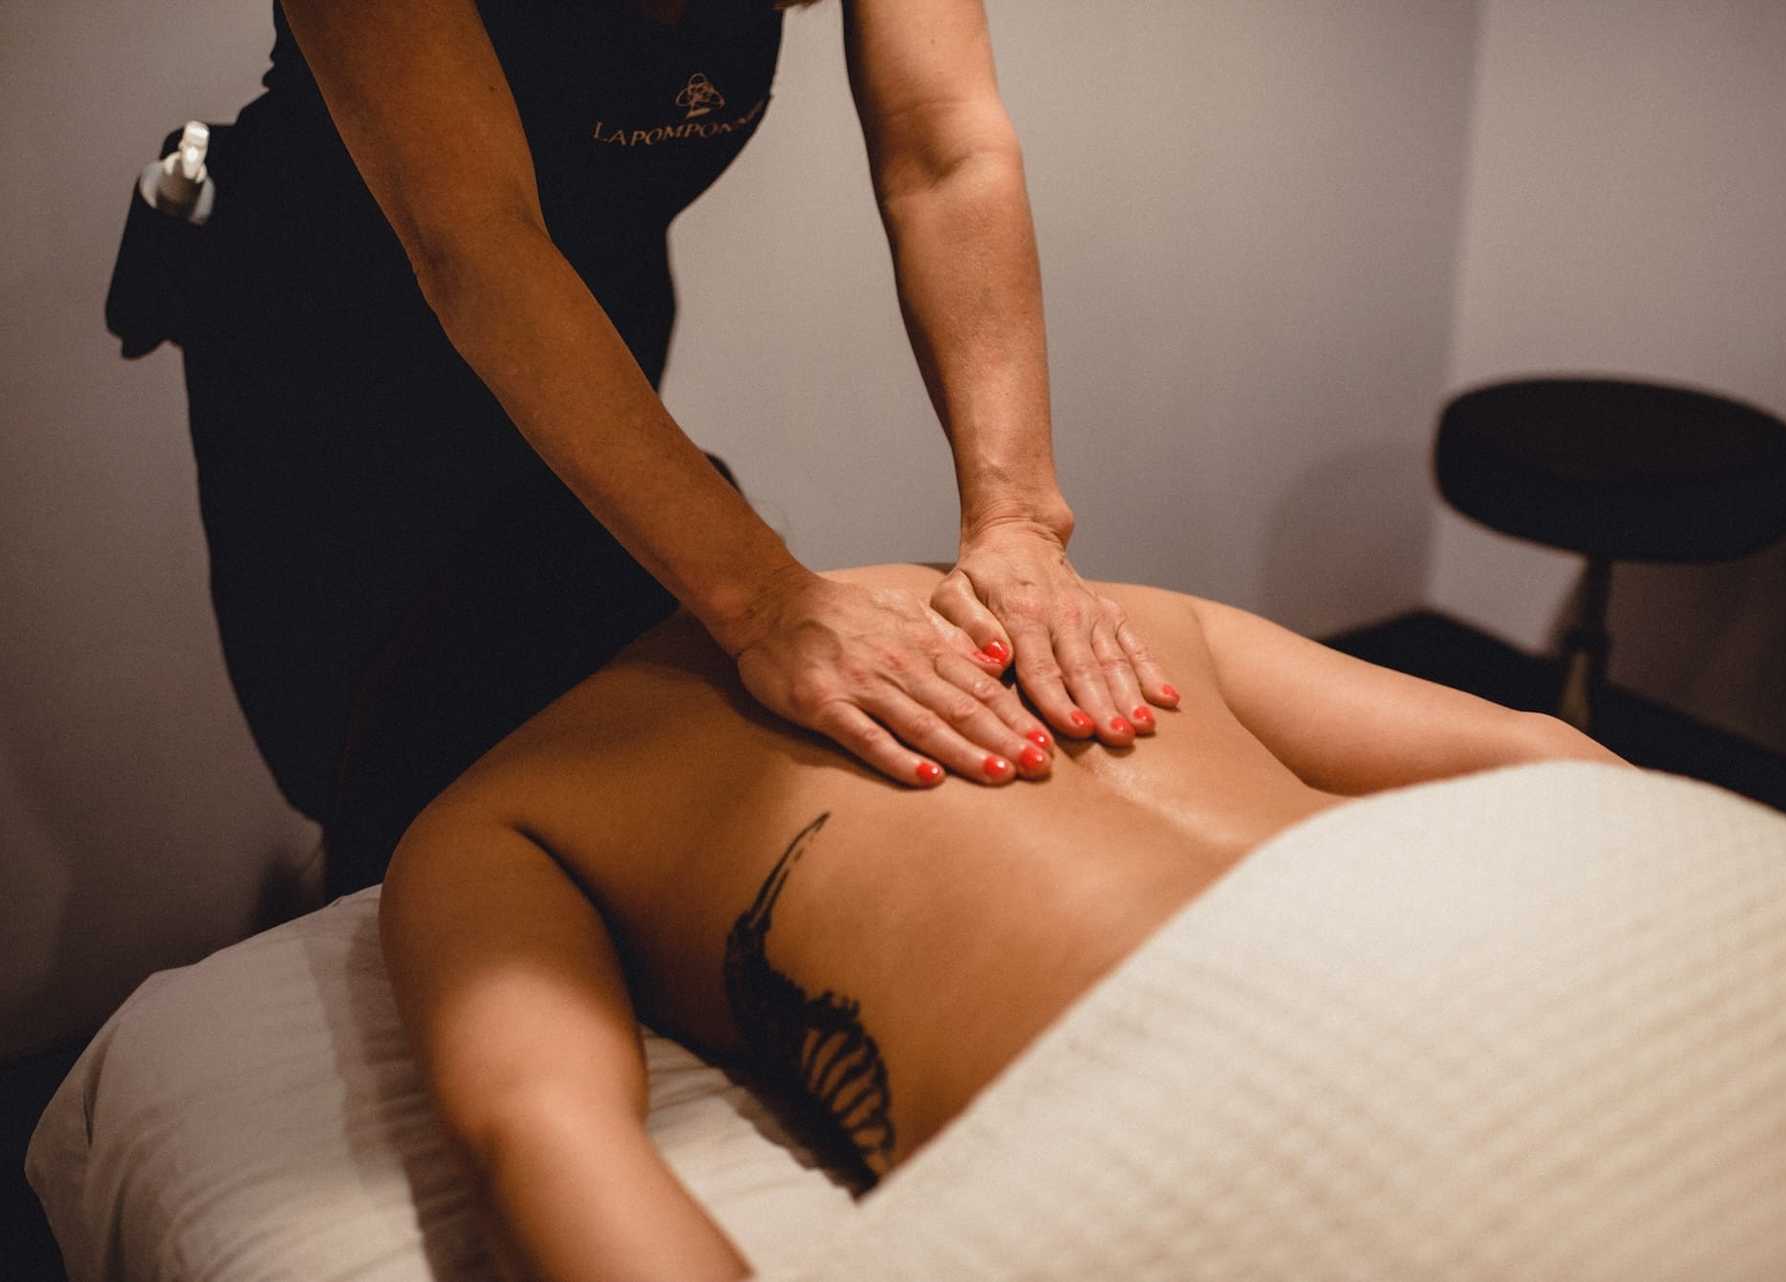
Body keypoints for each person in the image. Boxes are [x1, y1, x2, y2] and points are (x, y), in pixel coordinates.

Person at [379, 561, 1629, 1282]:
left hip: (1217, 1124)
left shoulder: (496, 811)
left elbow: (541, 1137)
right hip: (1537, 980)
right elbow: (1541, 749)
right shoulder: (1074, 608)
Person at [180, 0, 1179, 898]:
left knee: (628, 698)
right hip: (328, 361)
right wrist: (765, 599)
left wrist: (1017, 518)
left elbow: (944, 150)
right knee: (402, 775)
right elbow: (476, 243)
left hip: (588, 319)